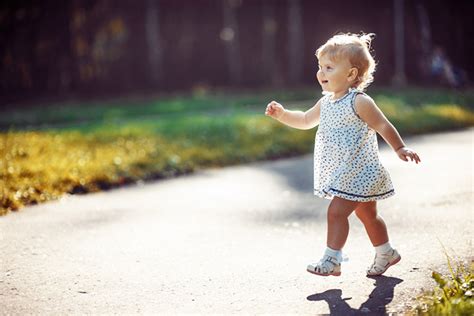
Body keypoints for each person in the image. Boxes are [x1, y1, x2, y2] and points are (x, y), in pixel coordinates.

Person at [264, 33, 421, 277]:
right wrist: (283, 114)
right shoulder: (326, 102)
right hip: (345, 172)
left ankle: (332, 259)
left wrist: (400, 148)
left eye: (329, 67)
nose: (321, 73)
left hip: (360, 172)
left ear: (350, 75)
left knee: (337, 212)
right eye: (320, 67)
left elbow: (382, 125)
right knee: (368, 215)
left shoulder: (360, 101)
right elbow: (305, 120)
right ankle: (386, 252)